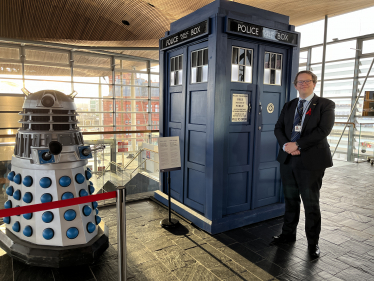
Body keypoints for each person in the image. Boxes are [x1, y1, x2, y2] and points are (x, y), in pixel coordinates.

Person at [273, 70, 335, 258]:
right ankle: (288, 234)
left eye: (307, 81)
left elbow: (323, 130)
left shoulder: (325, 104)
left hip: (312, 161)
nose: (303, 84)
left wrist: (298, 144)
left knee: (311, 203)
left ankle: (312, 242)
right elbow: (278, 128)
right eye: (300, 82)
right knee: (291, 200)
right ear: (295, 85)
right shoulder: (290, 105)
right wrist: (286, 146)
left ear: (314, 83)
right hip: (288, 160)